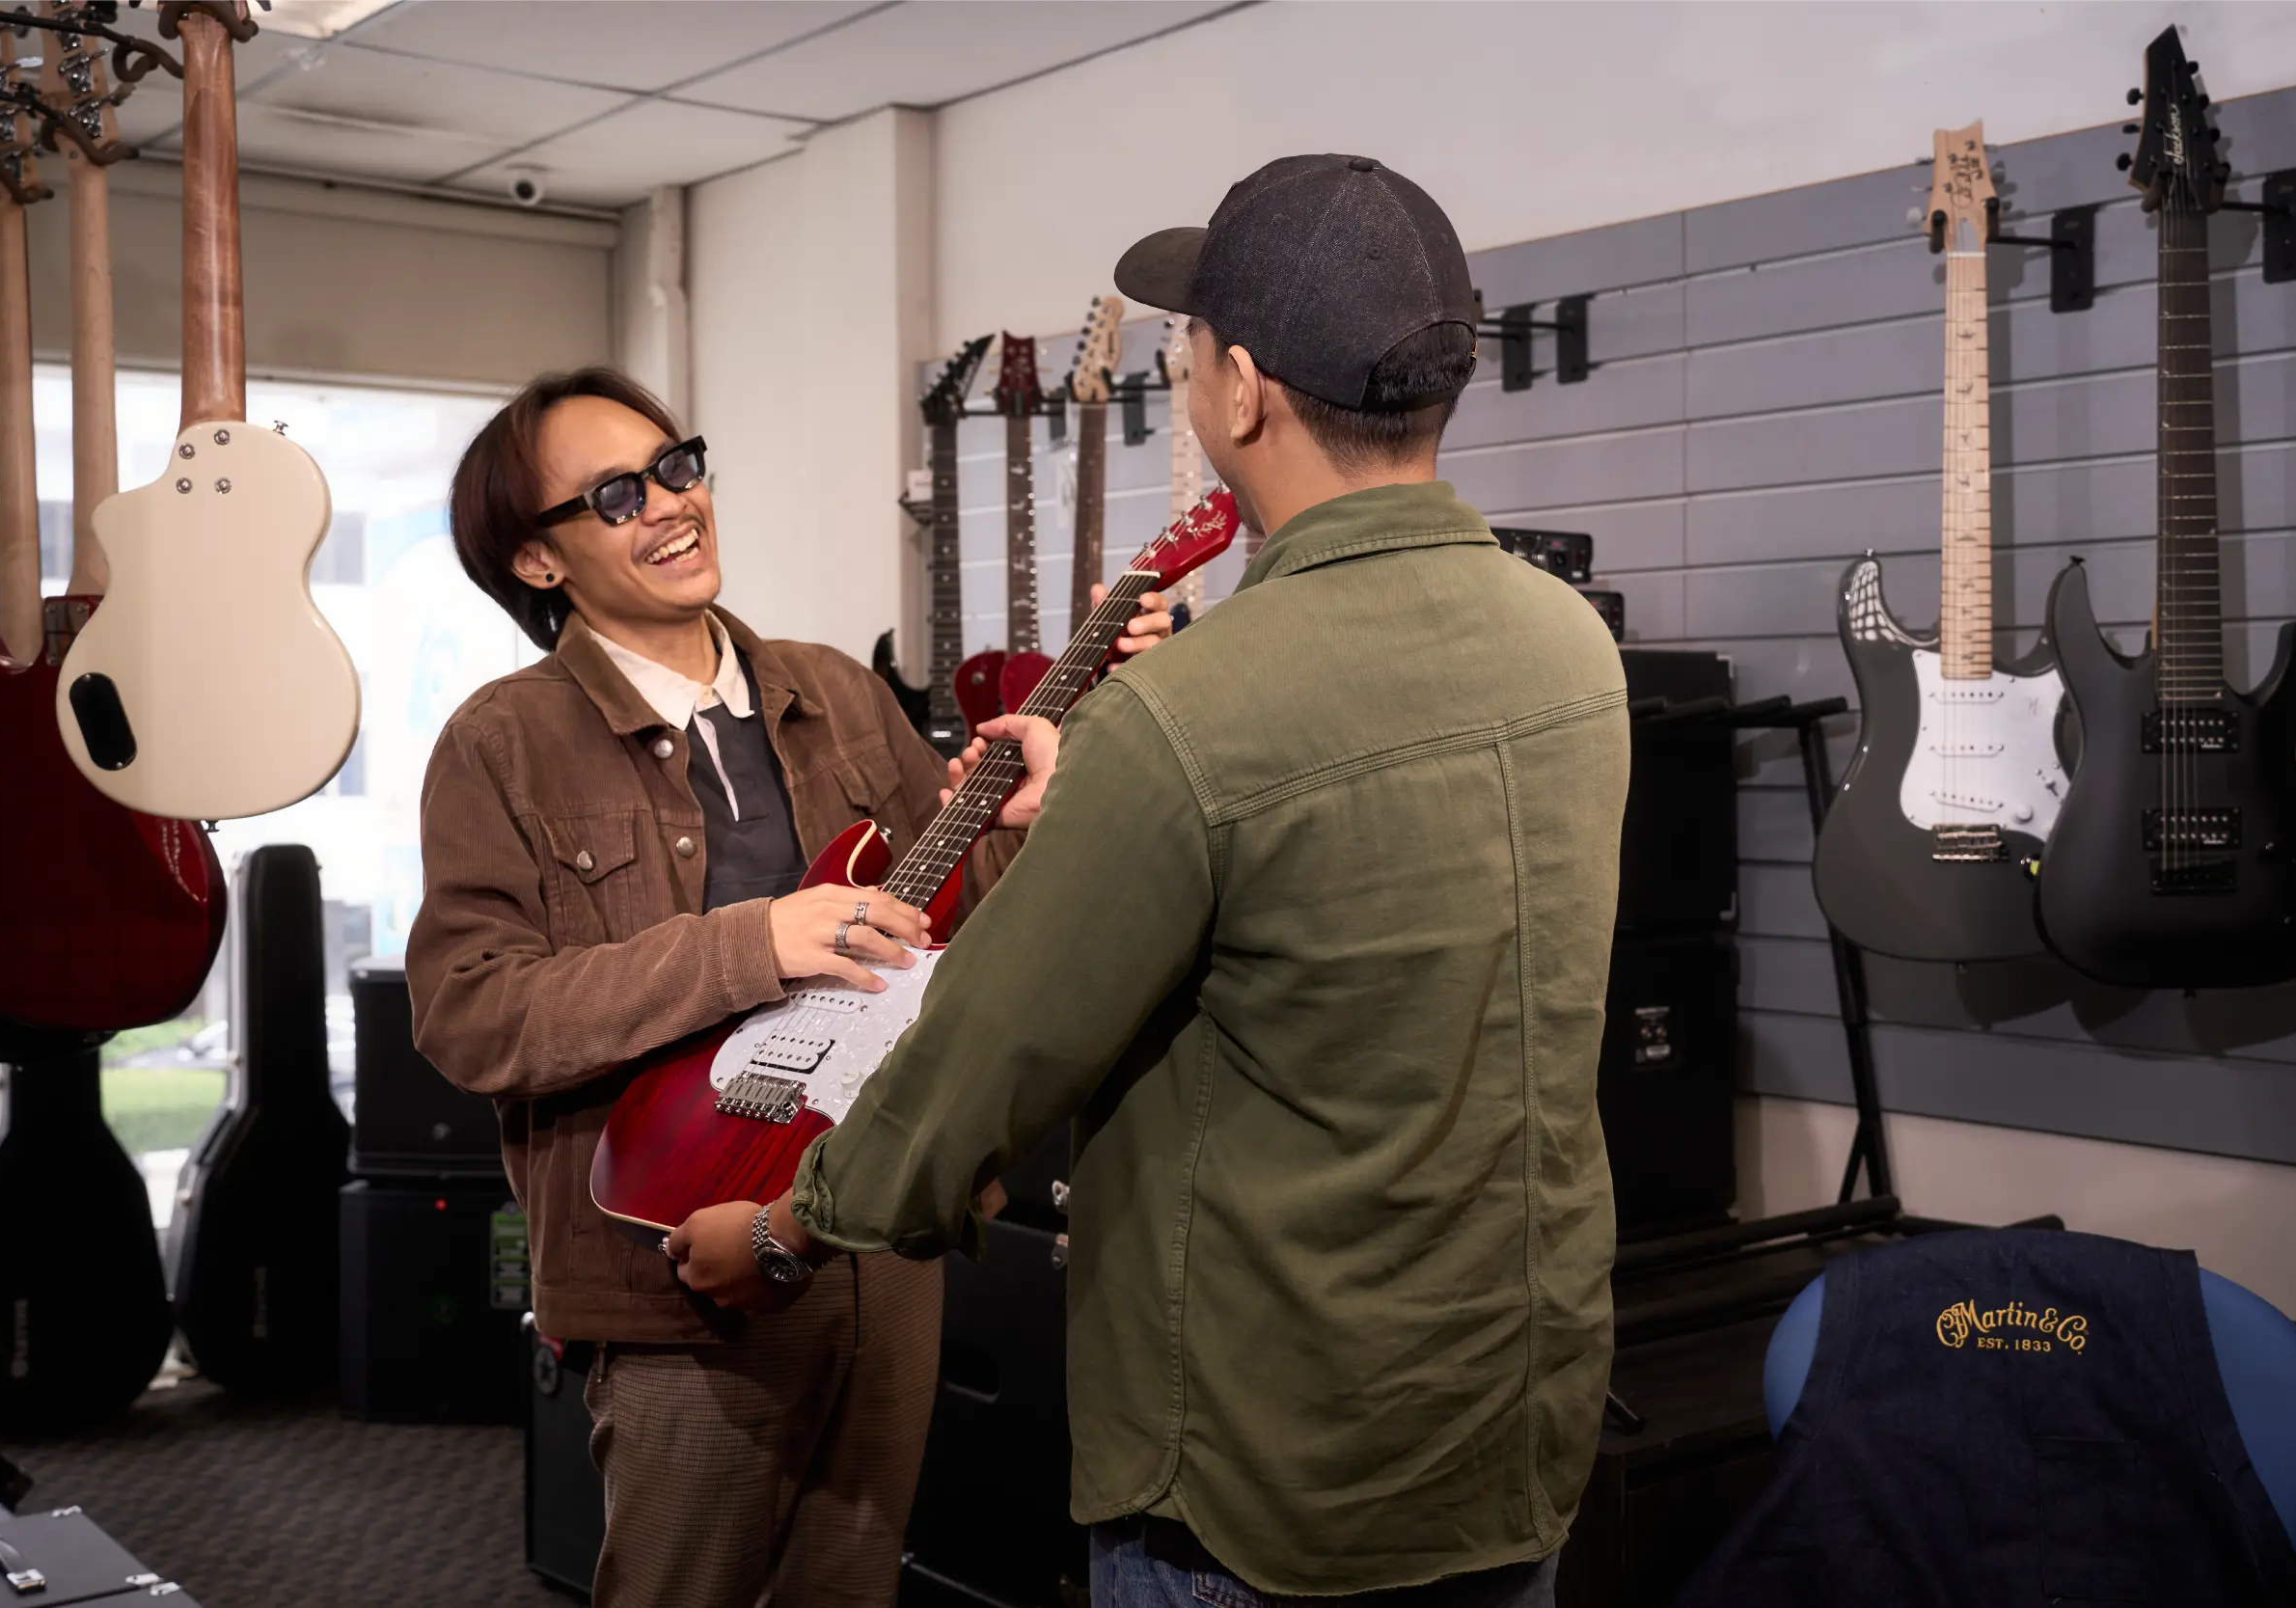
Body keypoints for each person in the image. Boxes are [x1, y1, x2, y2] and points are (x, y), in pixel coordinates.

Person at [670, 155, 1631, 1604]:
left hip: (1261, 1469)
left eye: (1188, 344)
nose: (1186, 371)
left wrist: (792, 1232)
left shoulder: (1185, 714)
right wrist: (1125, 805)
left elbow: (983, 1054)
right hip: (1509, 1426)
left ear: (1240, 389)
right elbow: (1353, 892)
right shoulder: (1574, 649)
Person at [405, 367, 1170, 1608]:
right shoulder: (501, 742)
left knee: (851, 1583)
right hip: (671, 1262)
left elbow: (960, 916)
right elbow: (470, 1011)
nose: (669, 504)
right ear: (536, 563)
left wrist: (1035, 809)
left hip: (873, 1232)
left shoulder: (833, 689)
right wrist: (749, 942)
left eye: (678, 466)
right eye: (614, 494)